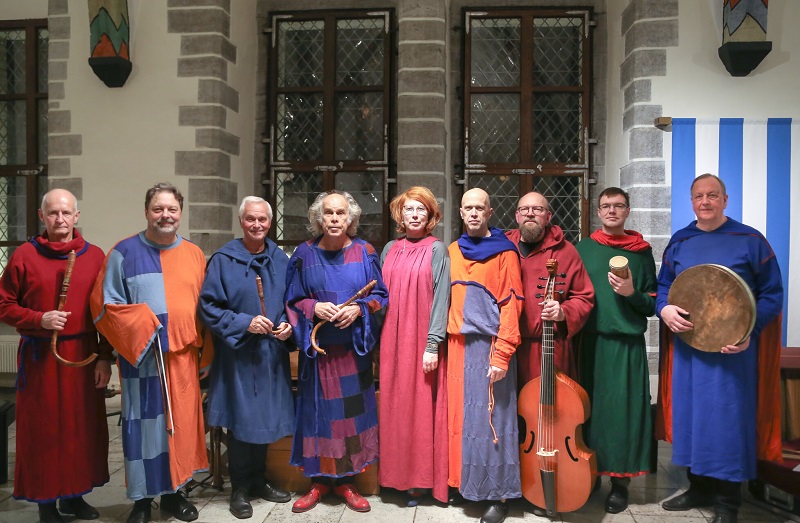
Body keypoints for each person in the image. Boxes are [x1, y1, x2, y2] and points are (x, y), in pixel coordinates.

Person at [656, 174, 783, 523]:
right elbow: (664, 286)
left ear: (725, 200)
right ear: (691, 201)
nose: (705, 201)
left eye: (713, 195)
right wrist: (664, 309)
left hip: (732, 351)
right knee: (693, 419)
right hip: (691, 348)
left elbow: (772, 294)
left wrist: (749, 331)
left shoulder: (750, 241)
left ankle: (728, 503)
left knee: (727, 422)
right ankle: (698, 487)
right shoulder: (681, 241)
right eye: (699, 196)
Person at [91, 183, 208, 523]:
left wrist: (207, 354)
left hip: (182, 359)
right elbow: (104, 304)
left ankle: (174, 495)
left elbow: (205, 310)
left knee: (179, 430)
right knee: (144, 432)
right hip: (141, 359)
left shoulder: (194, 254)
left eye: (172, 209)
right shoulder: (123, 252)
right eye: (158, 209)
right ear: (146, 212)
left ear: (180, 212)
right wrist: (143, 325)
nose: (165, 215)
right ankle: (142, 500)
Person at [0, 189, 111, 523]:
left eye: (66, 213)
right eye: (53, 213)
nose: (59, 219)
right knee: (44, 432)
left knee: (80, 429)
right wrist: (39, 319)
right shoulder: (24, 256)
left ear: (76, 216)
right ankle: (46, 503)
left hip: (83, 356)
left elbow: (105, 312)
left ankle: (74, 497)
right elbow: (3, 304)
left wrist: (104, 357)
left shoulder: (95, 256)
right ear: (41, 216)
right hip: (40, 358)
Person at [284, 190, 388, 514]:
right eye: (328, 212)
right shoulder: (304, 253)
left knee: (350, 419)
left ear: (350, 218)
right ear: (319, 217)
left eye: (340, 213)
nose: (334, 218)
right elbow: (292, 299)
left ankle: (346, 482)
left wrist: (359, 309)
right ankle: (317, 482)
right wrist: (313, 307)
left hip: (352, 353)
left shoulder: (365, 252)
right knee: (318, 417)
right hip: (317, 355)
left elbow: (380, 296)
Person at [198, 196, 294, 519]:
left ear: (270, 222)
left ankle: (258, 480)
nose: (256, 225)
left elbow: (293, 301)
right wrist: (245, 323)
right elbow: (208, 307)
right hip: (239, 354)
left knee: (264, 418)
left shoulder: (280, 260)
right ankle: (239, 487)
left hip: (271, 354)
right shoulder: (223, 260)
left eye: (262, 219)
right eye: (250, 219)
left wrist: (288, 325)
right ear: (241, 222)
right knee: (241, 421)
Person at [575, 187, 657, 513]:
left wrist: (631, 292)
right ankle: (590, 472)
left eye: (618, 206)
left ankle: (619, 483)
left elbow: (651, 304)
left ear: (627, 211)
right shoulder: (583, 249)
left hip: (626, 345)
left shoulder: (641, 253)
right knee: (590, 413)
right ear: (598, 211)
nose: (612, 210)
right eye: (606, 206)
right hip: (589, 343)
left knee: (623, 415)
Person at [447, 188, 524, 523]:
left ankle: (499, 495)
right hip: (458, 346)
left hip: (491, 345)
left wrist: (502, 354)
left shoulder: (505, 252)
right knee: (463, 421)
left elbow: (512, 304)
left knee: (494, 420)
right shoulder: (453, 250)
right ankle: (466, 485)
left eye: (480, 208)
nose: (474, 213)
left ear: (490, 213)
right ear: (461, 213)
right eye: (469, 208)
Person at [378, 186, 450, 505]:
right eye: (409, 209)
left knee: (419, 408)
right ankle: (393, 477)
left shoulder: (437, 250)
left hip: (421, 339)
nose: (415, 214)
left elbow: (442, 300)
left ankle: (418, 481)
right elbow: (380, 296)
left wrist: (433, 344)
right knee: (393, 407)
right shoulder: (390, 249)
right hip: (390, 340)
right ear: (401, 214)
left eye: (422, 209)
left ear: (431, 215)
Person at [506, 192, 594, 385]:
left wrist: (563, 312)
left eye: (537, 209)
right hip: (510, 349)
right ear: (517, 216)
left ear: (548, 217)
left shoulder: (566, 251)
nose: (530, 213)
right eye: (524, 209)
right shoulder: (503, 248)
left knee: (553, 402)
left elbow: (584, 297)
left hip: (551, 347)